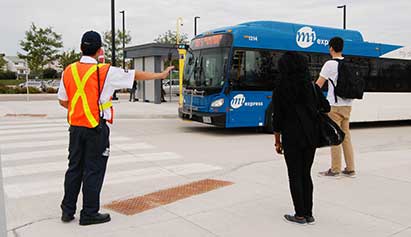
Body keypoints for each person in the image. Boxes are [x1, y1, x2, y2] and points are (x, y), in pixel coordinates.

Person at [57, 31, 173, 226]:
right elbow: (136, 75)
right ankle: (89, 213)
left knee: (74, 168)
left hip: (75, 128)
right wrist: (161, 75)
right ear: (100, 50)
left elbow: (63, 101)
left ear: (80, 48)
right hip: (96, 129)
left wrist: (80, 110)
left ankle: (67, 211)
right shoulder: (105, 71)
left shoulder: (68, 70)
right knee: (93, 170)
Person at [272, 51, 330, 225]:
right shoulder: (311, 86)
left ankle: (299, 215)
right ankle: (309, 213)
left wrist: (277, 141)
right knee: (306, 173)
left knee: (294, 175)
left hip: (291, 137)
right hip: (310, 136)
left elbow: (277, 118)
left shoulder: (280, 88)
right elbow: (326, 107)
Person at [316, 37, 356, 177]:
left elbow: (318, 85)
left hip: (334, 106)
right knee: (346, 137)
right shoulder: (348, 64)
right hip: (347, 105)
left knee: (334, 136)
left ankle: (335, 169)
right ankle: (350, 168)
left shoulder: (329, 64)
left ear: (331, 48)